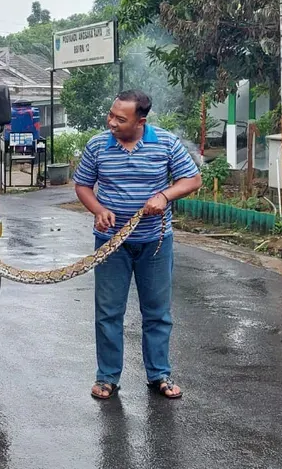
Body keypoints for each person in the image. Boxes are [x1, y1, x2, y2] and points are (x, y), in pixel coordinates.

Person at [72, 89, 201, 401]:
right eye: (111, 115)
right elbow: (83, 185)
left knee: (157, 312)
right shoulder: (98, 145)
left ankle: (159, 374)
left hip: (154, 243)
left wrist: (164, 195)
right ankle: (107, 378)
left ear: (141, 121)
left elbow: (192, 179)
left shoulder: (166, 143)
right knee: (108, 311)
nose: (111, 122)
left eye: (120, 118)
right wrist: (98, 210)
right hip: (110, 243)